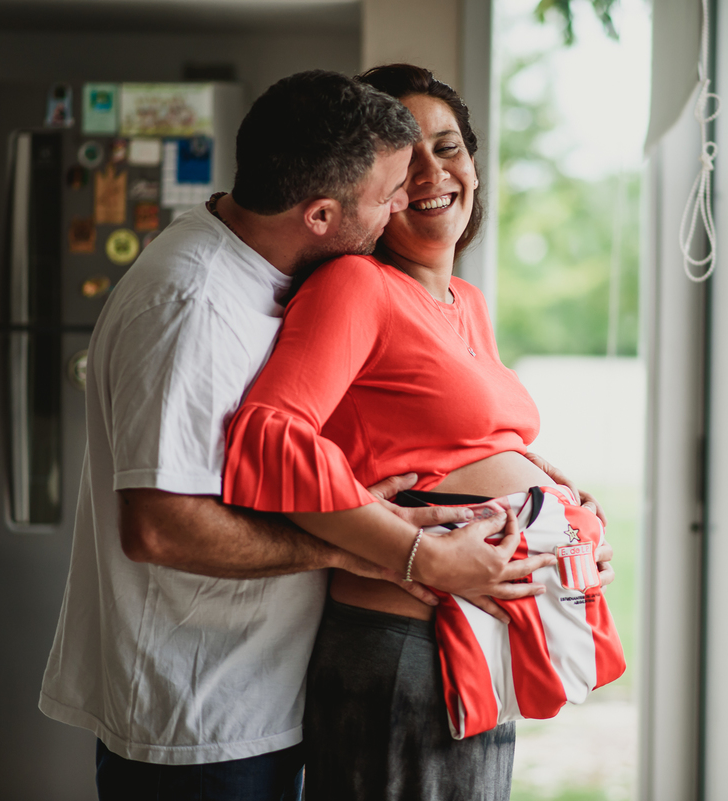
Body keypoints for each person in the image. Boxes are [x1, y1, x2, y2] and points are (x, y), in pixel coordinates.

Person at [38, 70, 565, 801]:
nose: (395, 213)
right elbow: (158, 528)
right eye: (387, 195)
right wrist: (392, 550)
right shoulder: (192, 302)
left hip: (257, 688)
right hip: (196, 715)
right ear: (320, 214)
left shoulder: (266, 278)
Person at [221, 64, 621, 800]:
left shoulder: (464, 300)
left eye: (449, 147)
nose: (435, 172)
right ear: (372, 187)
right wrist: (415, 552)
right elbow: (269, 437)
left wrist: (557, 508)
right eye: (407, 163)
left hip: (468, 644)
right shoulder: (355, 287)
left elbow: (455, 441)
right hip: (404, 652)